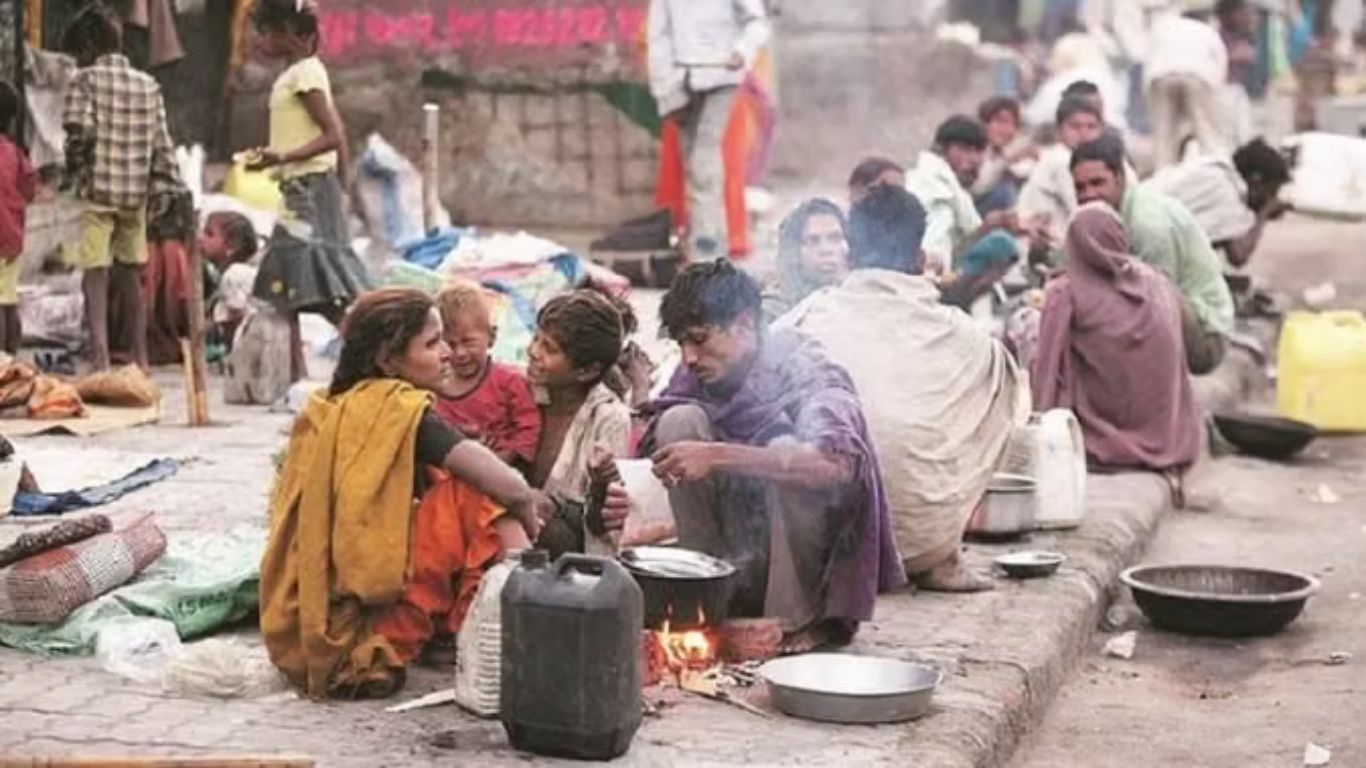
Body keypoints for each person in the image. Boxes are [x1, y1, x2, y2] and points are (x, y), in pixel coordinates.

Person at [260, 288, 555, 700]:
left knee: (453, 486)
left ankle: (474, 624)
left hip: (307, 624)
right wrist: (528, 514)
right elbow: (509, 486)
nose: (447, 354)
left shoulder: (329, 404)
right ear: (388, 360)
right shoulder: (399, 410)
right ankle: (527, 627)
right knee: (481, 494)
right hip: (360, 634)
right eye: (433, 344)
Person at [645, 261, 906, 653]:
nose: (689, 358)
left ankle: (797, 621)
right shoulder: (694, 379)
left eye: (699, 340)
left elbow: (835, 464)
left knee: (786, 448)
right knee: (678, 422)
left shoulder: (803, 366)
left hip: (804, 568)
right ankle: (707, 596)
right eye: (681, 344)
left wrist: (718, 455)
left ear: (745, 325)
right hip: (741, 554)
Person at [777, 187, 1026, 593]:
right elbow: (1014, 398)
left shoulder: (803, 321)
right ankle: (943, 549)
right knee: (1004, 388)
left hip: (825, 545)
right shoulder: (969, 339)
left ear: (850, 254)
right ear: (920, 259)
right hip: (923, 544)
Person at [1031, 203, 1200, 496]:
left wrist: (1039, 433)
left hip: (1104, 437)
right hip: (1169, 436)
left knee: (1025, 327)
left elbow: (1047, 371)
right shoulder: (1156, 282)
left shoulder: (1065, 292)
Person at [247, 0, 371, 382]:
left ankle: (373, 352)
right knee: (289, 287)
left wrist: (284, 156)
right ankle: (296, 377)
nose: (257, 41)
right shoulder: (295, 74)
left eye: (263, 32)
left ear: (287, 33)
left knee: (318, 286)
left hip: (310, 194)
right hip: (300, 190)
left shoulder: (304, 75)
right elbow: (335, 136)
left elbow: (333, 134)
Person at [61, 6, 182, 371]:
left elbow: (78, 129)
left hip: (98, 192)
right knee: (131, 274)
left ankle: (100, 356)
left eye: (78, 54)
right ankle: (140, 357)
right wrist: (166, 188)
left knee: (95, 272)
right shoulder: (148, 85)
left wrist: (74, 165)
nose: (78, 62)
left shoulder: (84, 80)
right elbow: (163, 146)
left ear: (87, 46)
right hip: (135, 197)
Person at [1071, 134, 1235, 374]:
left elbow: (1156, 306)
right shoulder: (1105, 215)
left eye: (1098, 183)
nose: (1089, 195)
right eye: (1080, 187)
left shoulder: (1146, 223)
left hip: (1206, 335)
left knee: (1146, 291)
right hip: (1171, 316)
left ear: (1119, 178)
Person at [647, 0, 771, 258]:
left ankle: (707, 243)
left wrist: (742, 51)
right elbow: (658, 35)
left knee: (705, 155)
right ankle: (708, 238)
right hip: (680, 79)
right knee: (692, 160)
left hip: (723, 75)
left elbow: (757, 22)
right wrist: (665, 86)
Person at [527, 290, 633, 558]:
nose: (533, 352)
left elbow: (603, 525)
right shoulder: (520, 392)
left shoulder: (609, 418)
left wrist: (600, 484)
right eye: (536, 339)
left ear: (586, 371)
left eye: (549, 348)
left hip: (574, 553)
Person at [432, 281, 541, 472]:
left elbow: (529, 426)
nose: (460, 353)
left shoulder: (509, 381)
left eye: (468, 342)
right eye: (450, 344)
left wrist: (501, 461)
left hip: (504, 472)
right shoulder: (434, 387)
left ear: (491, 337)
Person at [906, 116, 1027, 282]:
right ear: (941, 149)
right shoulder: (935, 191)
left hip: (941, 271)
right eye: (965, 149)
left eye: (978, 151)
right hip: (927, 281)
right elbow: (934, 257)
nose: (974, 159)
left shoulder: (952, 187)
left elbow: (956, 246)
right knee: (1001, 244)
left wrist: (988, 227)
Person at [1148, 138, 1291, 269]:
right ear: (1256, 181)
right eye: (1271, 191)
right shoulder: (1227, 192)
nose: (1271, 198)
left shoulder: (1213, 168)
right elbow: (1238, 256)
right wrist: (1263, 214)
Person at [1018, 96, 1106, 253]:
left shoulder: (1082, 160)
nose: (1084, 133)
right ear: (1059, 131)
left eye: (1091, 126)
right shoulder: (1062, 160)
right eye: (1075, 127)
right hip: (1039, 250)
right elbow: (1083, 214)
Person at [1145, 7, 1230, 168]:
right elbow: (1220, 64)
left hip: (1160, 75)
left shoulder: (1164, 27)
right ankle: (1217, 169)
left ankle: (1163, 173)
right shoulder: (1207, 31)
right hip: (1197, 76)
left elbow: (1148, 61)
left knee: (1164, 137)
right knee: (1207, 134)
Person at [760, 198, 850, 325]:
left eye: (835, 238)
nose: (826, 250)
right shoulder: (772, 311)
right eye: (813, 241)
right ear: (795, 251)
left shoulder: (860, 298)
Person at [0, 80, 34, 356]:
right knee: (7, 297)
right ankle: (10, 354)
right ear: (11, 122)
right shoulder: (15, 154)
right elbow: (29, 189)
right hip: (11, 238)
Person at [200, 211, 261, 350]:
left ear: (232, 246)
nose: (201, 238)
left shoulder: (234, 275)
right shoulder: (222, 274)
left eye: (209, 234)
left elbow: (235, 320)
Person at [973, 96, 1035, 216]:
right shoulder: (974, 149)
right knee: (1006, 189)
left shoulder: (1002, 152)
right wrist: (1006, 163)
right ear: (984, 123)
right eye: (1000, 122)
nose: (1006, 129)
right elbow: (978, 187)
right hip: (974, 213)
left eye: (1013, 124)